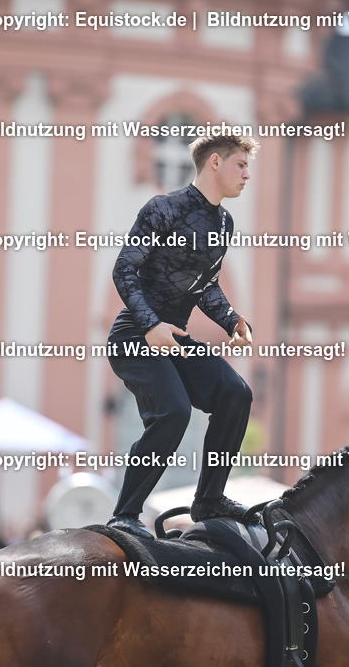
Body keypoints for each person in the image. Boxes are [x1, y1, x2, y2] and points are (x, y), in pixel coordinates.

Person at [105, 132, 258, 539]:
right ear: (215, 162)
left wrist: (230, 319)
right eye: (241, 165)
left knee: (236, 393)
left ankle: (209, 497)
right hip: (135, 335)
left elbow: (204, 286)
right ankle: (125, 514)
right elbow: (124, 270)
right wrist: (152, 325)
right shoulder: (163, 209)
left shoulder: (224, 222)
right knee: (174, 412)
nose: (247, 175)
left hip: (174, 339)